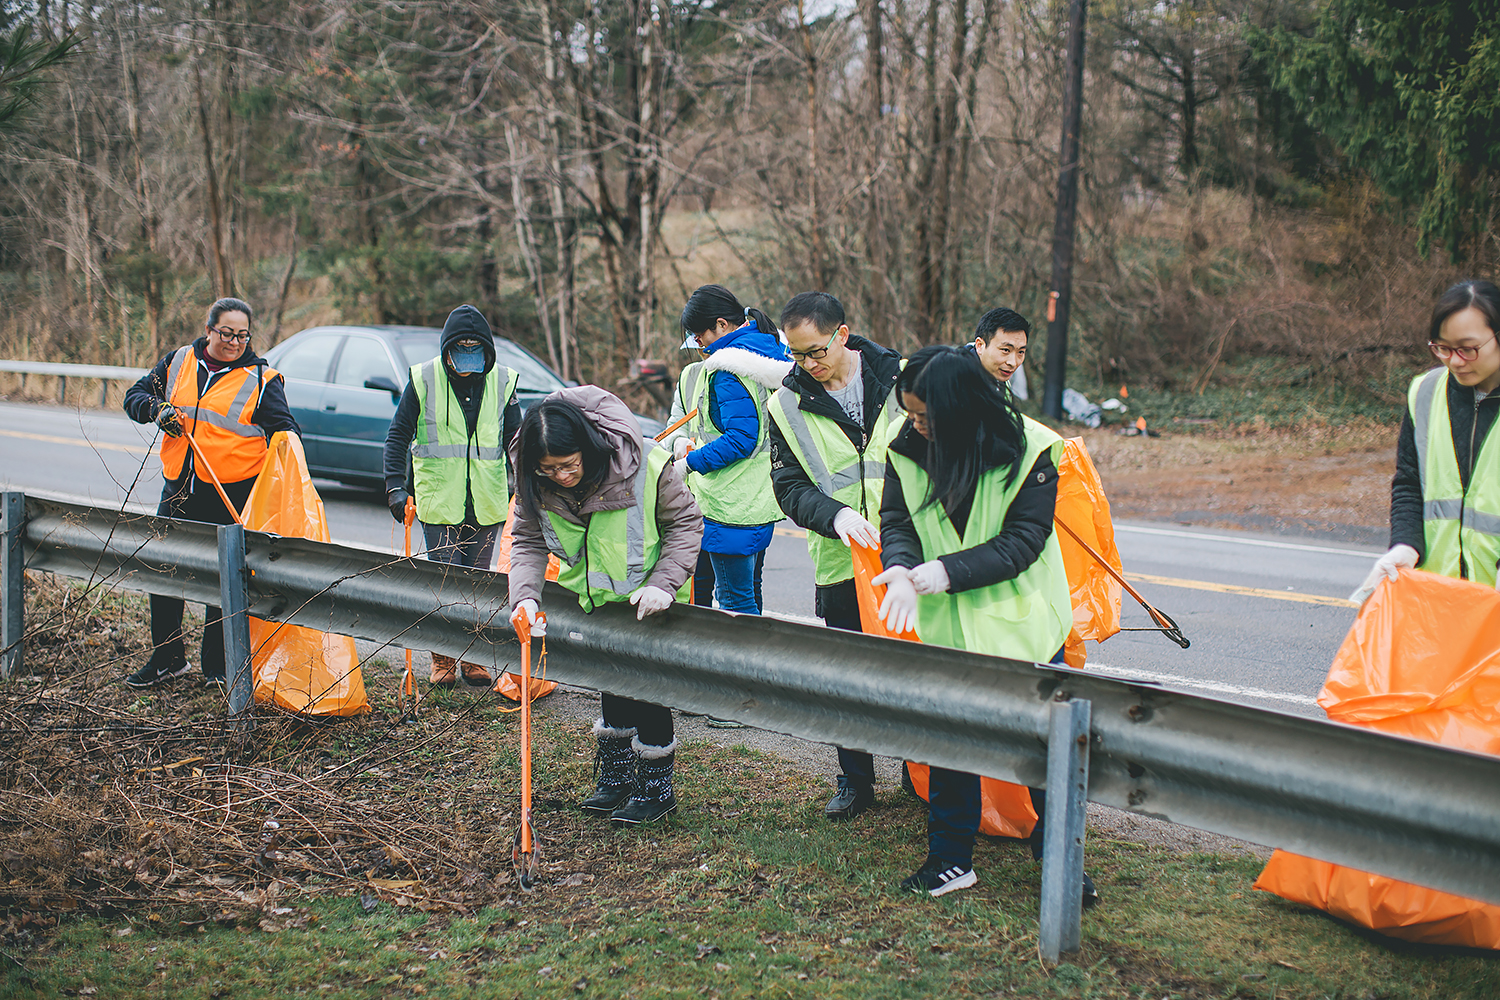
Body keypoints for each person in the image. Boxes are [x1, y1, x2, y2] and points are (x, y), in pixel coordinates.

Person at [873, 346, 1094, 905]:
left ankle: (1060, 860)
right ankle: (950, 860)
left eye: (925, 416)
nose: (915, 425)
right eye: (911, 414)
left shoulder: (1034, 450)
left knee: (1049, 754)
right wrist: (898, 569)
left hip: (1027, 628)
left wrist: (944, 572)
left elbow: (1023, 541)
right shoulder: (907, 444)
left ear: (961, 407)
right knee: (950, 746)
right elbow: (897, 519)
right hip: (952, 630)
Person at [508, 387, 703, 824]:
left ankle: (656, 789)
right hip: (595, 602)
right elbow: (527, 541)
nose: (559, 476)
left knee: (647, 690)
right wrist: (524, 597)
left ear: (587, 447)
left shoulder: (647, 465)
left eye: (567, 465)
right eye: (548, 469)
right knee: (611, 686)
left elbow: (686, 524)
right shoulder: (534, 482)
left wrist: (664, 584)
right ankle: (616, 780)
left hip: (649, 601)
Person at [766, 291, 905, 820]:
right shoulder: (785, 403)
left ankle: (926, 773)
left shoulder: (903, 376)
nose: (807, 365)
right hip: (841, 560)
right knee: (846, 677)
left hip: (908, 558)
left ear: (843, 335)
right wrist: (834, 516)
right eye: (797, 355)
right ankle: (855, 779)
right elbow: (789, 486)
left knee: (916, 673)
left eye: (817, 352)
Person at [122, 297, 300, 688]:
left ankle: (216, 668)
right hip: (179, 488)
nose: (234, 342)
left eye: (242, 335)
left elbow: (287, 431)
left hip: (230, 495)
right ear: (209, 331)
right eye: (226, 333)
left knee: (222, 583)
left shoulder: (261, 380)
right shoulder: (179, 361)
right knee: (164, 572)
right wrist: (157, 409)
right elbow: (132, 398)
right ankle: (167, 659)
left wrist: (283, 463)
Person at [384, 305, 522, 687]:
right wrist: (396, 486)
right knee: (445, 581)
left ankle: (473, 658)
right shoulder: (424, 378)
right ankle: (443, 658)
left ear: (486, 350)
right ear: (447, 349)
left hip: (486, 500)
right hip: (439, 500)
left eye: (473, 347)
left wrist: (528, 484)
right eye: (459, 347)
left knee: (477, 582)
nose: (466, 354)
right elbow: (398, 436)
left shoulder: (502, 382)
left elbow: (517, 440)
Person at [1355, 279, 1500, 601]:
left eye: (1468, 348)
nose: (1455, 361)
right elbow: (1409, 483)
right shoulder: (1426, 393)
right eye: (1443, 348)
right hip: (1438, 603)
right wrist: (1405, 546)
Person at [667, 285, 791, 620]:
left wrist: (689, 463)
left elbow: (740, 439)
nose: (698, 343)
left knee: (735, 604)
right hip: (759, 496)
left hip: (730, 502)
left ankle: (748, 671)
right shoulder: (768, 351)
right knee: (751, 589)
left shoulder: (726, 368)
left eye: (699, 334)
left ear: (721, 325)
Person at [967, 306, 1030, 399]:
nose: (1013, 363)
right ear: (979, 345)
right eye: (1005, 350)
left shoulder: (1000, 377)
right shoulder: (954, 380)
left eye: (1020, 352)